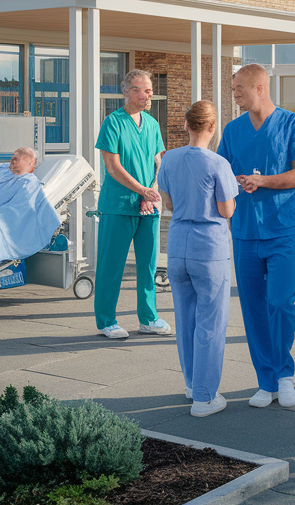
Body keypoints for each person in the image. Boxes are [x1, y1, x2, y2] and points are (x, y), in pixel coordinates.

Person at [217, 64, 295, 408]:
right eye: (233, 88)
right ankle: (265, 380)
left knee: (281, 303)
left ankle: (284, 374)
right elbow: (221, 174)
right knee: (253, 307)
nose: (234, 93)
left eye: (239, 87)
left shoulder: (292, 124)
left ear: (259, 87)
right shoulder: (233, 130)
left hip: (284, 229)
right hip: (244, 232)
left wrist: (263, 181)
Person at [157, 101, 237, 417]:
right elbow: (227, 210)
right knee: (210, 323)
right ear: (212, 128)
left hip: (178, 246)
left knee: (185, 319)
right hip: (209, 250)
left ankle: (192, 384)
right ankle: (204, 397)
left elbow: (169, 204)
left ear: (187, 125)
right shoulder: (218, 164)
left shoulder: (169, 160)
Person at [94, 69, 169, 340]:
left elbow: (158, 162)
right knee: (110, 266)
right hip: (119, 205)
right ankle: (106, 321)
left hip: (148, 207)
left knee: (148, 266)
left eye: (148, 90)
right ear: (125, 92)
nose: (145, 95)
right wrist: (142, 191)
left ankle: (148, 318)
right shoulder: (113, 122)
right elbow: (112, 166)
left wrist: (153, 193)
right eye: (138, 89)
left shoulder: (152, 124)